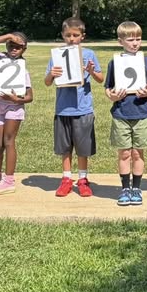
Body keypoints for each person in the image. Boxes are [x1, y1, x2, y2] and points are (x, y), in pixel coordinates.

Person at [45, 17, 103, 197]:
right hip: (63, 108)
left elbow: (100, 79)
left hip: (83, 108)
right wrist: (52, 75)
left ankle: (83, 179)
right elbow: (47, 82)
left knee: (83, 147)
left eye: (75, 35)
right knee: (65, 147)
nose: (71, 38)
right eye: (68, 35)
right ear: (62, 35)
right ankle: (66, 179)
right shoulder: (57, 55)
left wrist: (92, 71)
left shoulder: (89, 54)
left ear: (82, 36)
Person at [105, 21, 147, 206]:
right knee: (124, 154)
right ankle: (124, 188)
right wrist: (112, 96)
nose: (135, 43)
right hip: (121, 114)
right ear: (121, 41)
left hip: (141, 113)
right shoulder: (115, 62)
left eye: (138, 39)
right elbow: (108, 88)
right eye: (130, 39)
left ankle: (136, 188)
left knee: (137, 153)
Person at [0, 31, 33, 194]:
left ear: (24, 49)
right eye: (11, 45)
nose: (14, 48)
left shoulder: (22, 69)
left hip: (14, 106)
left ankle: (9, 179)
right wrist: (8, 36)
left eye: (18, 46)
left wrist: (16, 99)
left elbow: (29, 97)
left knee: (9, 140)